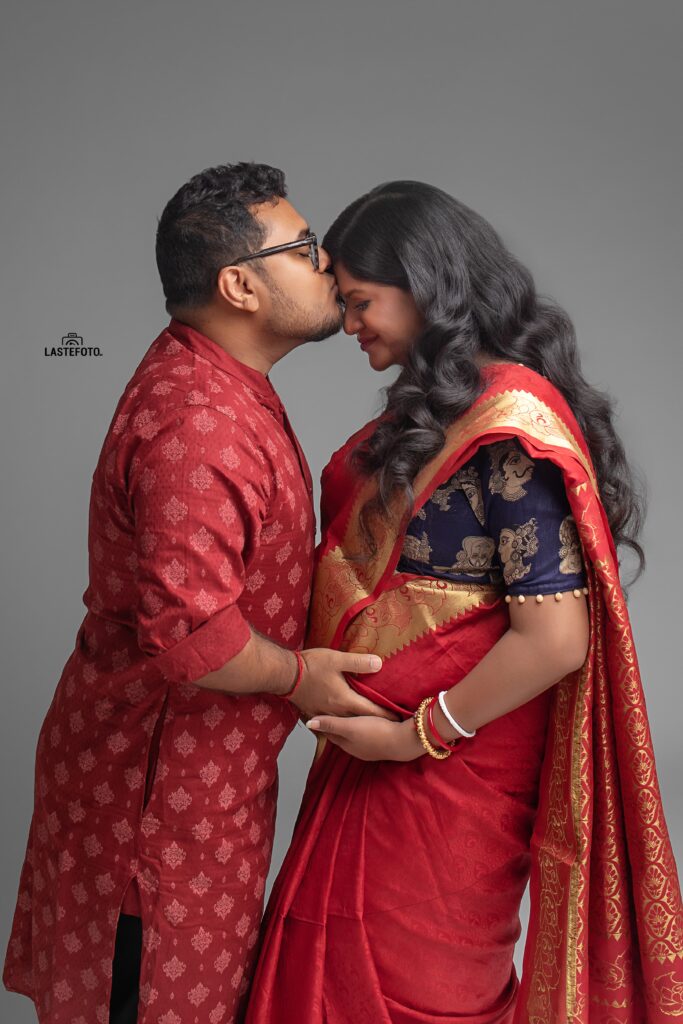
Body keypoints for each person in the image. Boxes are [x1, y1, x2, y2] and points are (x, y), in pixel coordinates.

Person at [244, 181, 683, 1023]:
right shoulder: (438, 406)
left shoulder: (508, 427)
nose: (347, 324)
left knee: (409, 986)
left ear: (427, 284)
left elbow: (555, 639)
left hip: (446, 775)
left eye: (360, 301)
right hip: (376, 762)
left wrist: (412, 737)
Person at [2, 162, 389, 1024]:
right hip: (151, 812)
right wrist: (303, 678)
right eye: (303, 246)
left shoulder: (221, 383)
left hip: (197, 789)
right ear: (238, 283)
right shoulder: (198, 420)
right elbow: (194, 639)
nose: (327, 263)